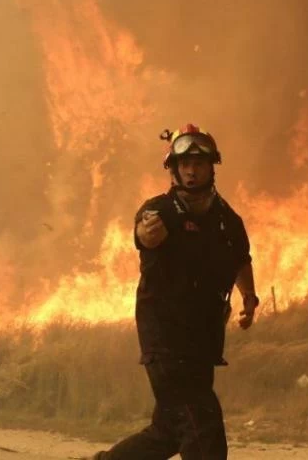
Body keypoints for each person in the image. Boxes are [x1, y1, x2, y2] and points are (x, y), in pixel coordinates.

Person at [95, 124, 259, 460]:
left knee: (168, 432)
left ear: (212, 166)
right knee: (202, 426)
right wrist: (144, 233)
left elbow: (241, 260)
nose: (191, 170)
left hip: (202, 341)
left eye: (198, 164)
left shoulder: (228, 220)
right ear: (173, 169)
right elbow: (145, 235)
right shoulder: (160, 211)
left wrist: (249, 298)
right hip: (166, 338)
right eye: (184, 164)